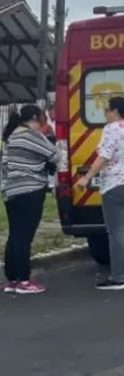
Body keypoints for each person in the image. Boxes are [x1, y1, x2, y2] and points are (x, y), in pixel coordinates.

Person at [77, 96, 124, 291]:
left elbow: (104, 157)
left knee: (116, 232)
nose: (104, 114)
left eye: (106, 110)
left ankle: (117, 278)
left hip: (116, 186)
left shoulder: (112, 129)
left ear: (115, 112)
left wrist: (87, 177)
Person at [2, 105, 58, 294]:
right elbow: (55, 155)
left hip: (12, 191)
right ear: (35, 117)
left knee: (15, 235)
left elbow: (4, 166)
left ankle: (13, 280)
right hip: (31, 190)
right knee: (25, 237)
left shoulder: (11, 137)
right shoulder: (30, 136)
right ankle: (25, 280)